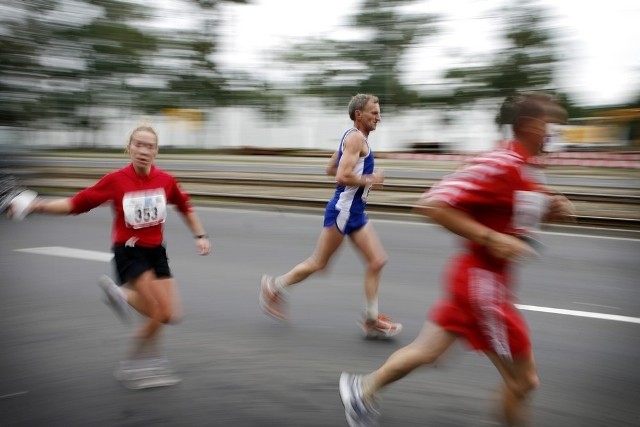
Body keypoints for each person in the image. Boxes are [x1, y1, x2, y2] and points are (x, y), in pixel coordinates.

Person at [339, 92, 576, 426]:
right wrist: (490, 238)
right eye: (551, 126)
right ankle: (362, 391)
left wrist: (550, 211)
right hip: (484, 288)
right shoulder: (500, 163)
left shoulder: (523, 171)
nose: (555, 136)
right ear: (528, 126)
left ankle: (361, 390)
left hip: (477, 282)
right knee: (523, 381)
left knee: (428, 351)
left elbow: (514, 226)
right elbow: (432, 204)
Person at [17, 125, 211, 389]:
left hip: (157, 252)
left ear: (157, 151)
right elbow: (77, 203)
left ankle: (123, 299)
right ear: (128, 147)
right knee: (157, 311)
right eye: (138, 145)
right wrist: (37, 206)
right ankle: (134, 365)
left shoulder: (165, 180)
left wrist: (200, 235)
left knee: (170, 314)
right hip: (129, 250)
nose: (143, 151)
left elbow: (184, 205)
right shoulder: (115, 180)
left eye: (149, 146)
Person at [260, 93, 402, 339]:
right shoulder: (356, 139)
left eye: (379, 112)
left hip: (354, 211)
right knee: (319, 263)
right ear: (359, 115)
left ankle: (371, 318)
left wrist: (359, 177)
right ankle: (274, 286)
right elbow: (340, 176)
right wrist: (371, 179)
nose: (379, 117)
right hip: (343, 212)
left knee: (377, 261)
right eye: (374, 113)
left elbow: (330, 168)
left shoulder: (351, 137)